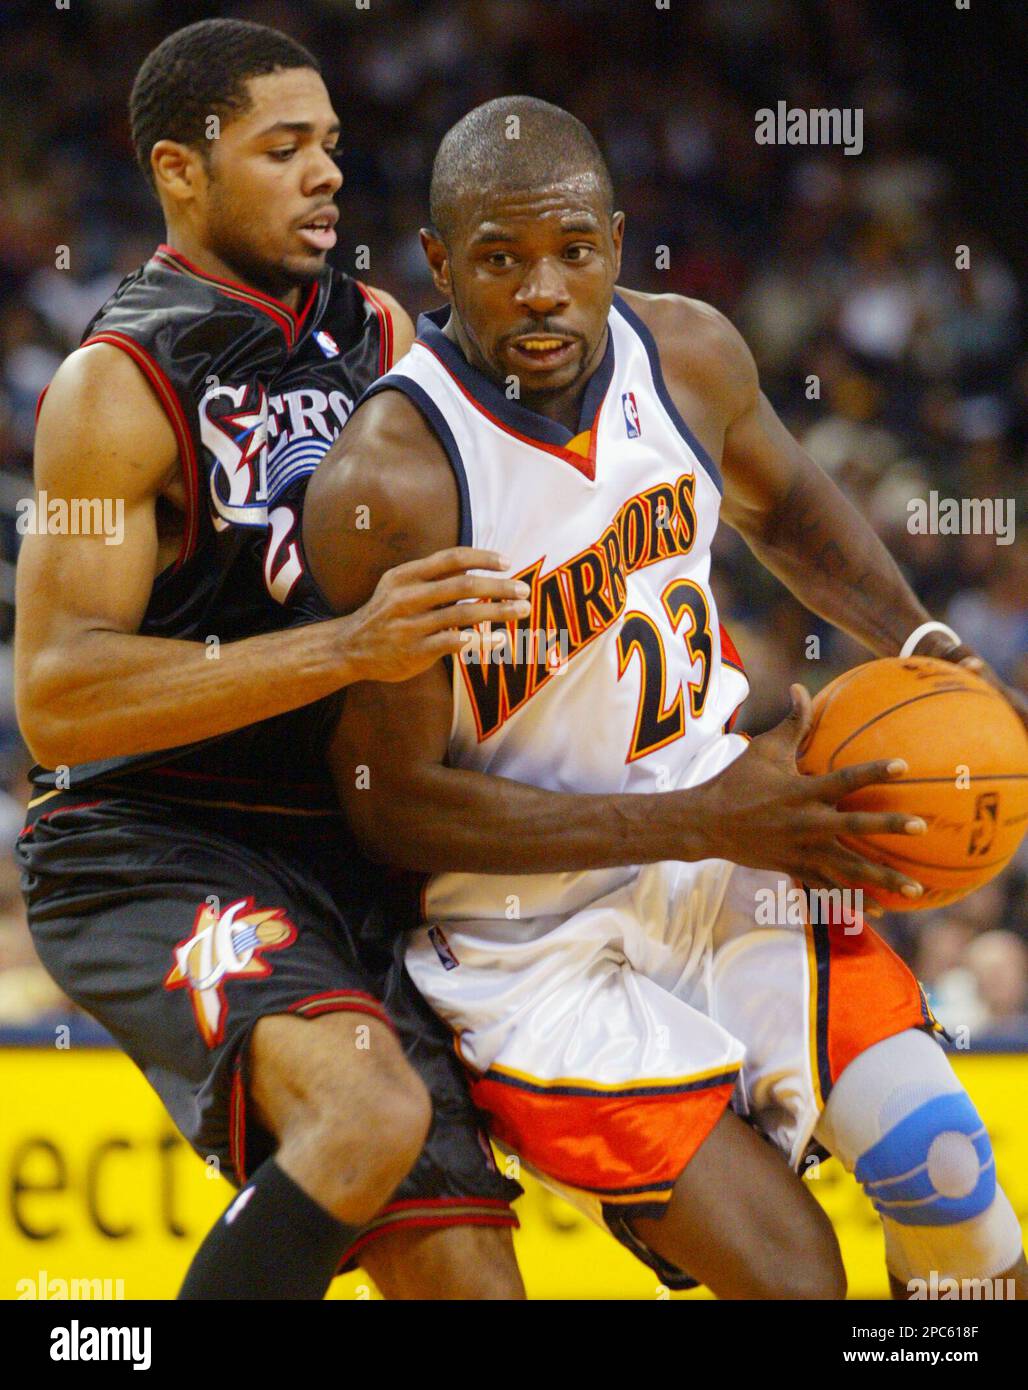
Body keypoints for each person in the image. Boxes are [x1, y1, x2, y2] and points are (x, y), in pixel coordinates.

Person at [303, 96, 1027, 1299]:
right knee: (798, 1282)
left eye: (572, 253)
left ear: (616, 242)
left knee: (945, 1180)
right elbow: (392, 810)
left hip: (718, 847)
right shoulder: (395, 480)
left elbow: (786, 505)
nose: (542, 290)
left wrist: (921, 636)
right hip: (526, 941)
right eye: (499, 260)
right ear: (438, 263)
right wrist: (703, 822)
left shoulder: (685, 351)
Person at [15, 23, 529, 1302]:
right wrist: (344, 648)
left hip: (345, 847)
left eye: (333, 149)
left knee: (471, 1276)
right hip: (154, 840)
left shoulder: (384, 331)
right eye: (282, 148)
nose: (326, 177)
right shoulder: (112, 384)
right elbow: (59, 698)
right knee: (362, 1111)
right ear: (179, 172)